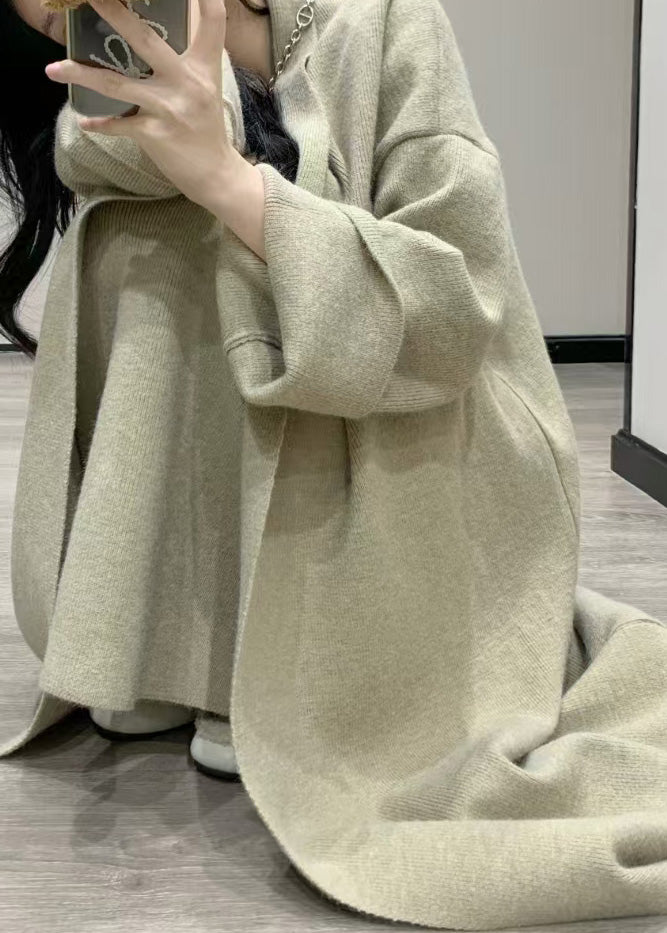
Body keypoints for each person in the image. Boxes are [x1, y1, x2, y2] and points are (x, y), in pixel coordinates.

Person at [1, 0, 667, 929]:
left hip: (427, 426)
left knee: (214, 230)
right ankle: (174, 643)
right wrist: (182, 146)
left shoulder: (383, 20)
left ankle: (271, 656)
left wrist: (232, 182)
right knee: (144, 232)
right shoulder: (109, 108)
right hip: (277, 411)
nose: (92, 16)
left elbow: (454, 307)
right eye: (55, 20)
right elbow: (107, 168)